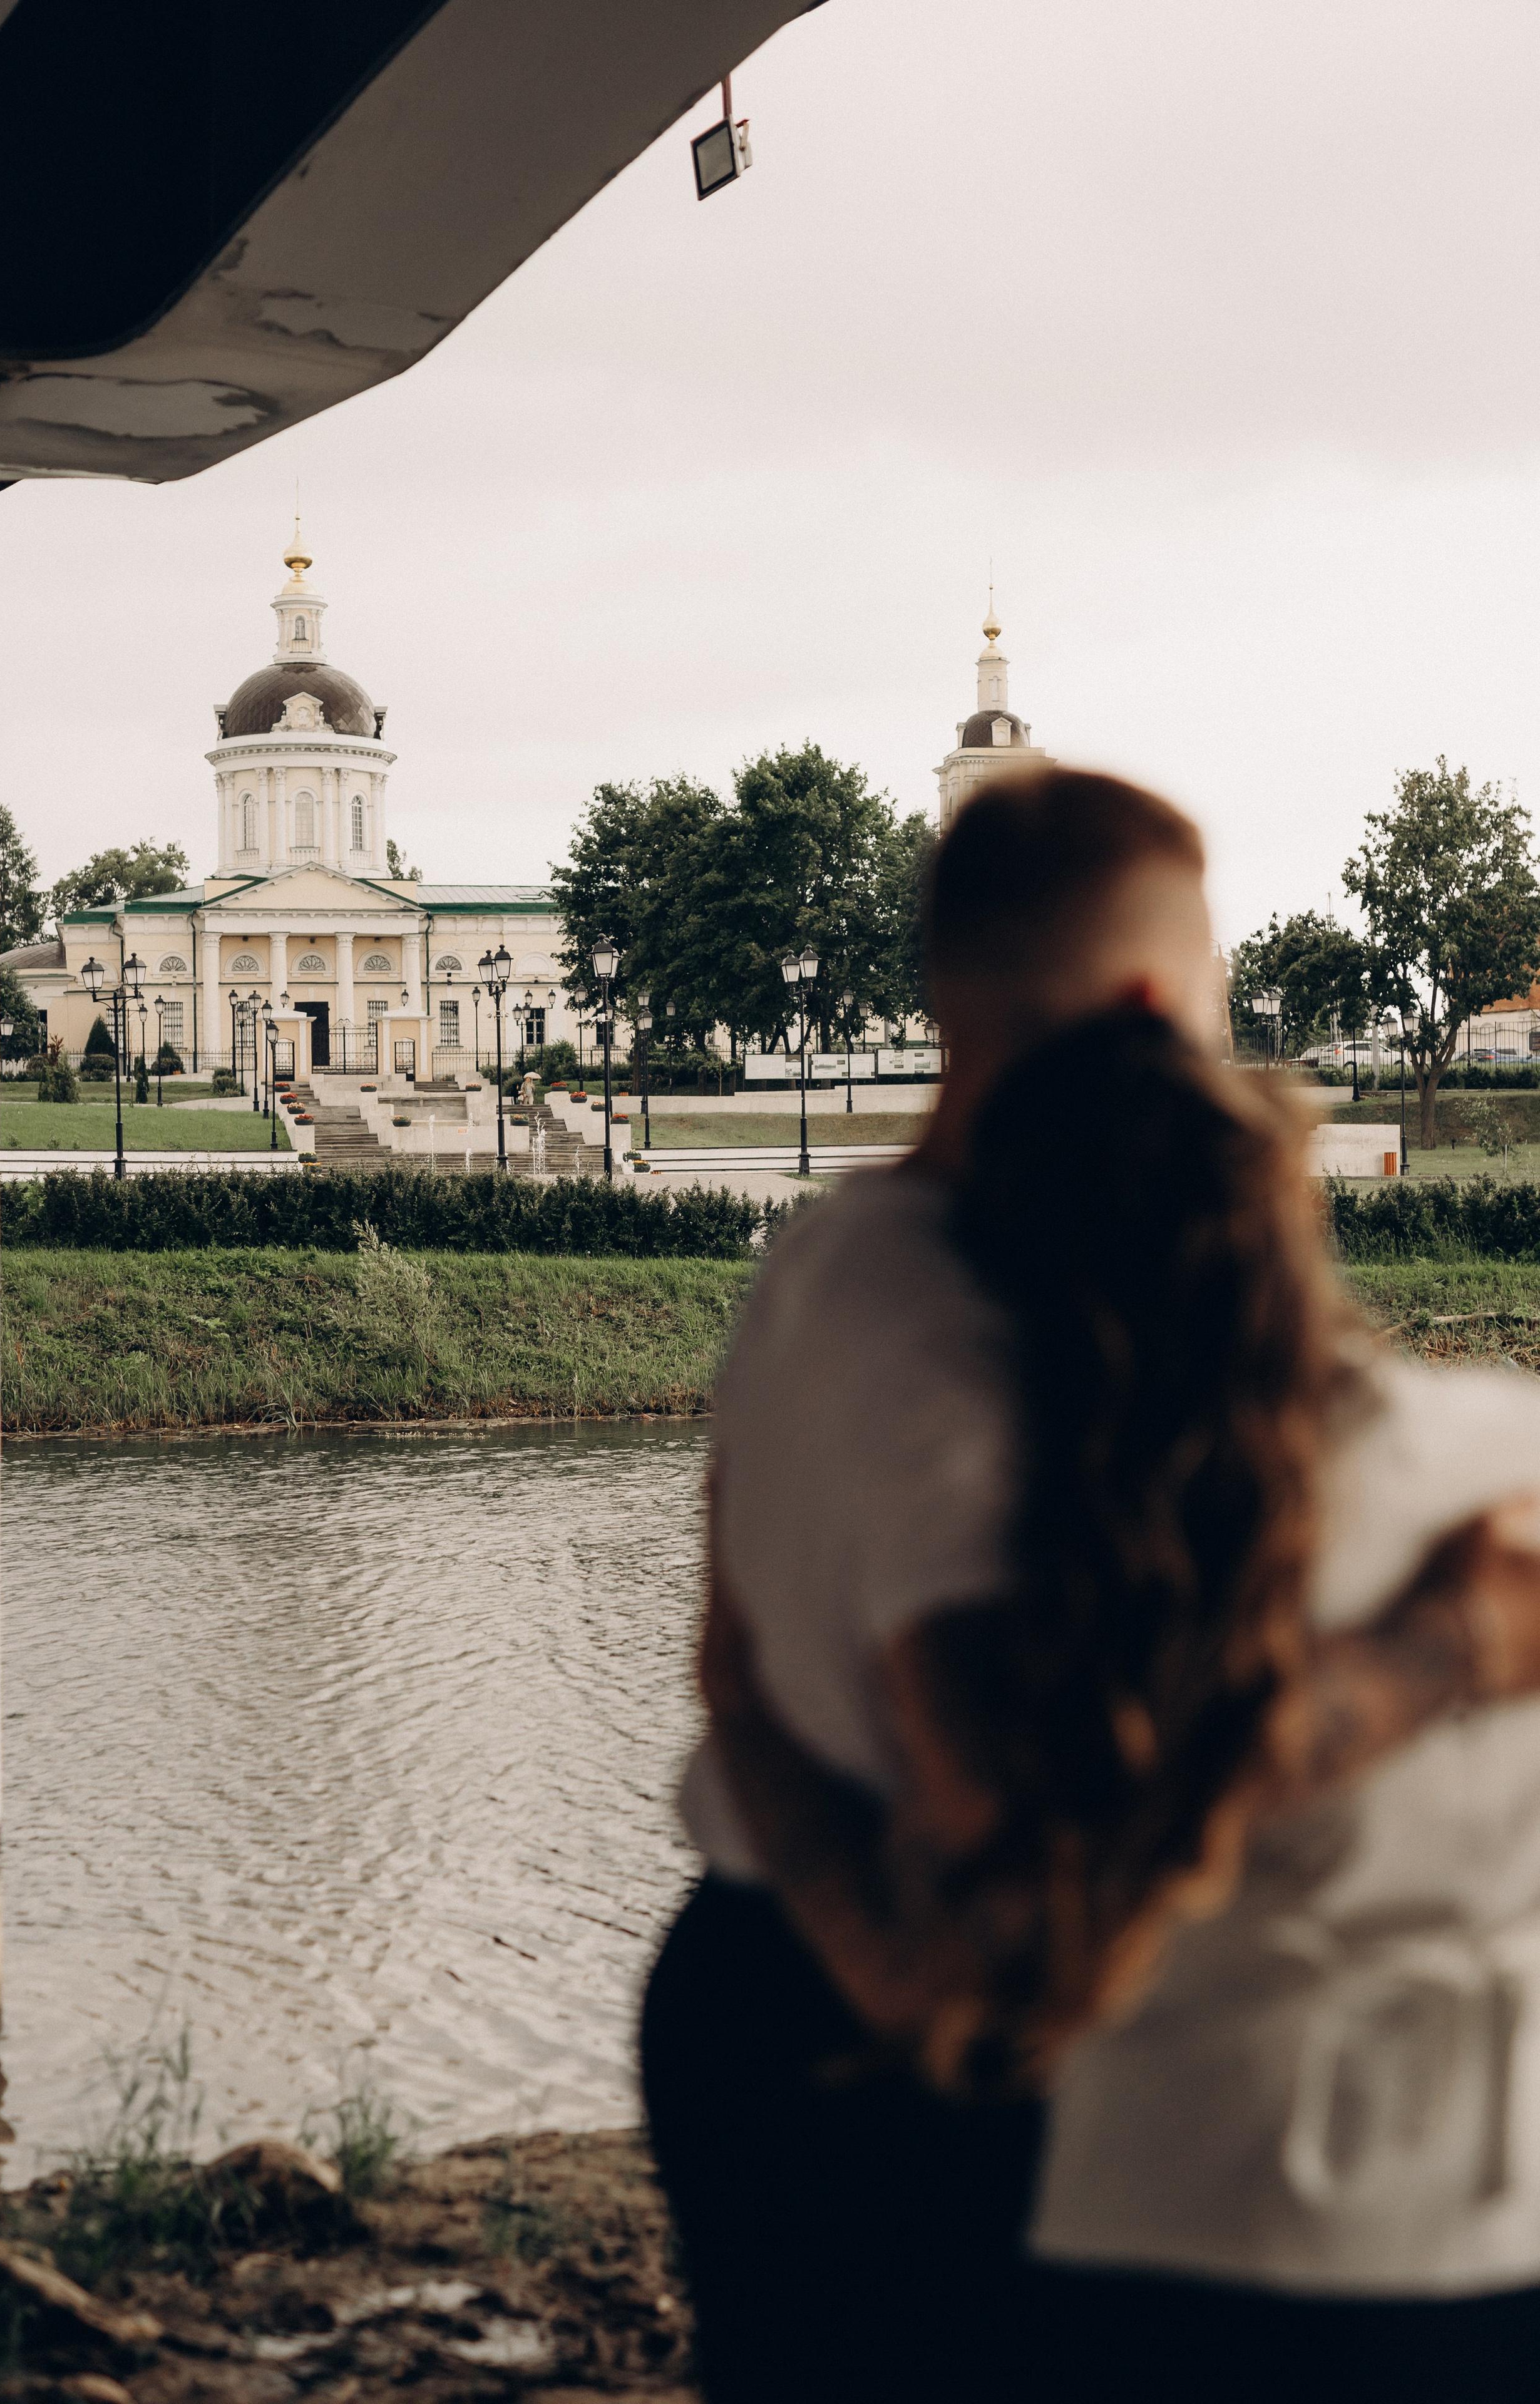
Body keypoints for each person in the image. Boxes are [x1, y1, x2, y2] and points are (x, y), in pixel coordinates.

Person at [639, 766, 1540, 2404]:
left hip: (760, 1971)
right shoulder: (942, 1339)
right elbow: (1044, 1809)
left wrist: (742, 1722)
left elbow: (741, 1628)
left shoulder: (838, 1251)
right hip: (878, 2027)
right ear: (1152, 1006)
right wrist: (1446, 1646)